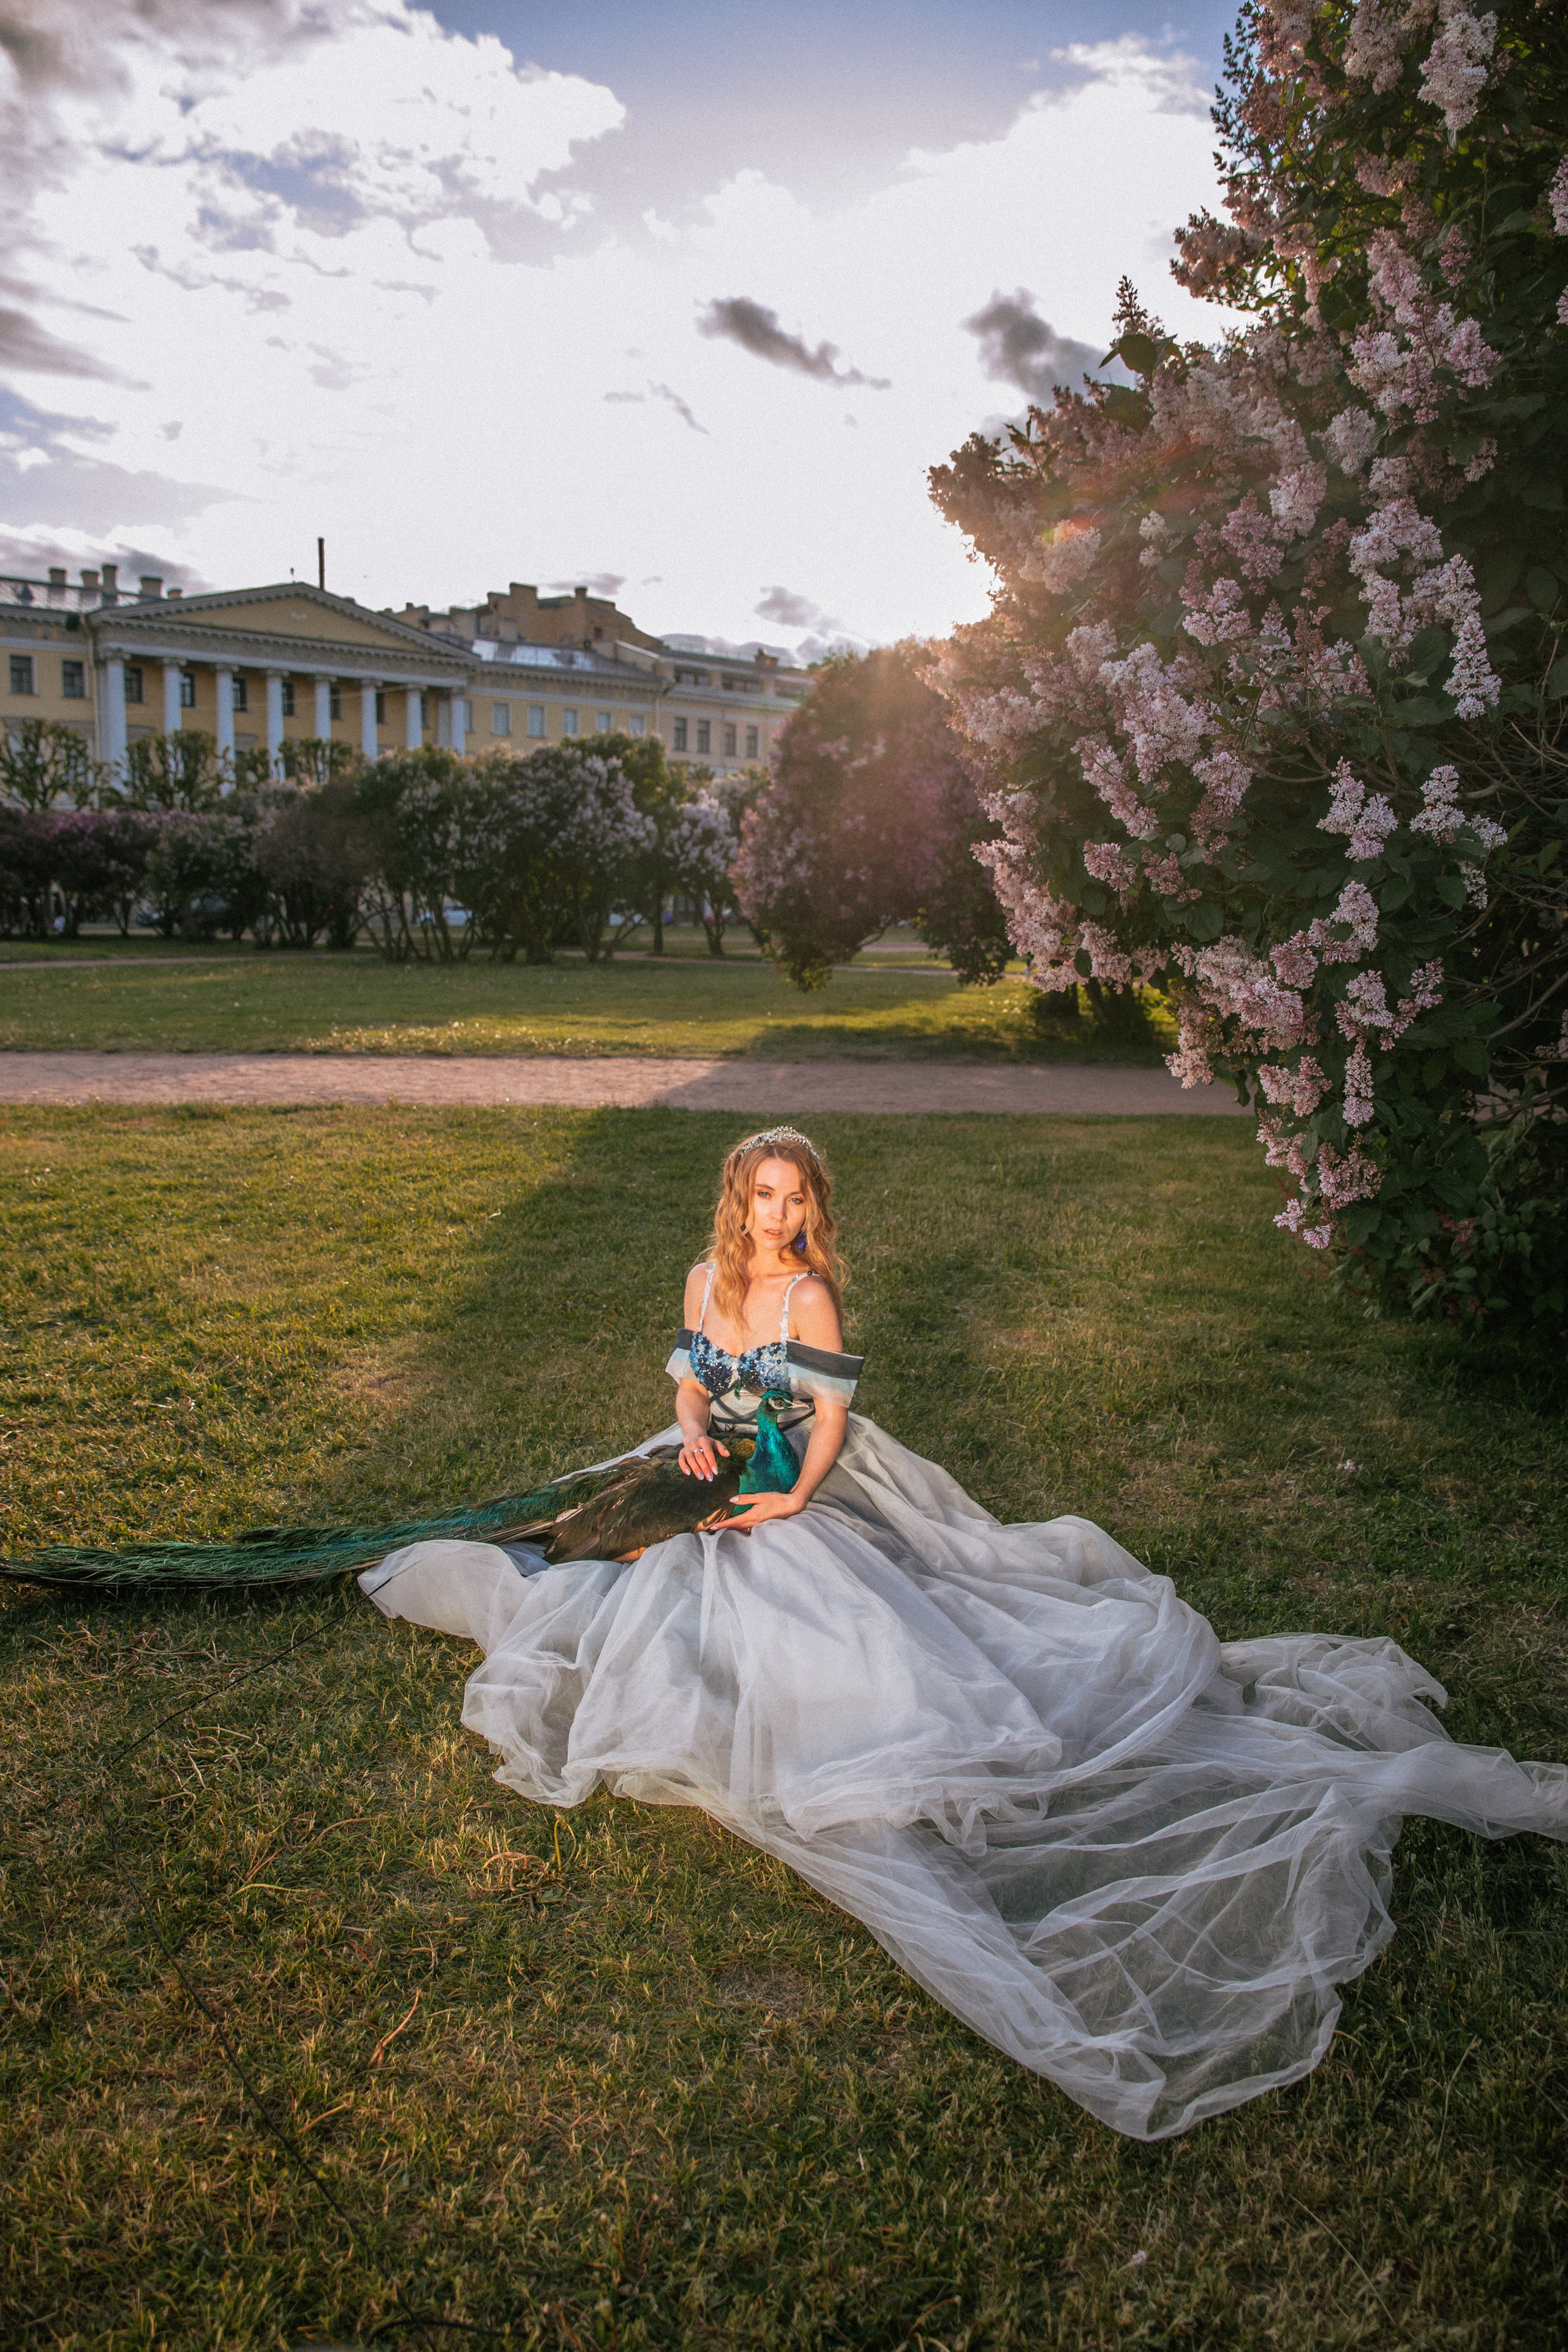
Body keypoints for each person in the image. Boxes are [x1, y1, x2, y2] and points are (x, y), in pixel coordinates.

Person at [361, 1126, 1568, 2141]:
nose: (776, 1215)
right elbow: (690, 1380)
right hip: (708, 1464)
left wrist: (777, 1499)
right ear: (736, 1202)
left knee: (799, 1611)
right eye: (759, 1196)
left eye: (794, 1199)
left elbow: (822, 1426)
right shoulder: (701, 1278)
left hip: (785, 1476)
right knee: (598, 1562)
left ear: (809, 1210)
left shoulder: (807, 1294)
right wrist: (686, 1434)